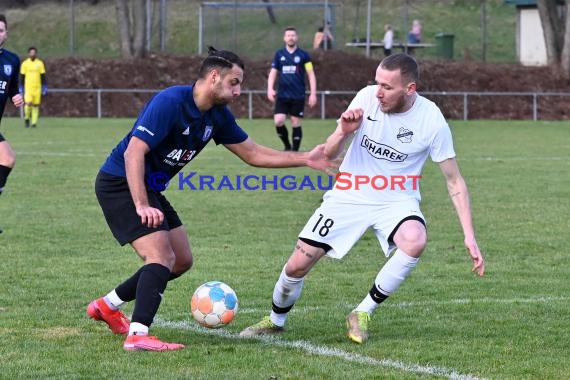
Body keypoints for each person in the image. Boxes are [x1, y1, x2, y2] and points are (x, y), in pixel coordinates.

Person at [87, 47, 338, 352]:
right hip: (121, 183)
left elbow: (253, 154)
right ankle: (138, 335)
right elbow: (133, 152)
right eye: (234, 82)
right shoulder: (171, 102)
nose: (238, 90)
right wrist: (141, 204)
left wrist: (304, 159)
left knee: (180, 261)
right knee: (160, 256)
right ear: (214, 77)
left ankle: (106, 306)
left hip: (149, 187)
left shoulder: (217, 116)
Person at [240, 53, 485, 344]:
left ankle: (363, 312)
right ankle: (275, 320)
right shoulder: (367, 98)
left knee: (415, 239)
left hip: (397, 200)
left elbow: (454, 181)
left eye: (387, 87)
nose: (378, 92)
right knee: (297, 265)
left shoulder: (432, 121)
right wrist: (343, 131)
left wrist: (469, 235)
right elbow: (328, 153)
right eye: (376, 83)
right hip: (349, 193)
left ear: (410, 89)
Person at [269, 27, 317, 152]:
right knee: (278, 121)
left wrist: (313, 94)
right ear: (284, 38)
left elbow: (311, 74)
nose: (291, 37)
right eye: (288, 35)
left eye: (293, 35)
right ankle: (287, 146)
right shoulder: (279, 55)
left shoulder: (303, 55)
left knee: (295, 121)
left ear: (296, 37)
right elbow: (273, 73)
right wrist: (270, 89)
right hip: (282, 95)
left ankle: (295, 151)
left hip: (298, 95)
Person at [0, 14, 24, 234]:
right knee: (6, 158)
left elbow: (12, 88)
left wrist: (16, 96)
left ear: (6, 34)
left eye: (0, 30)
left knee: (7, 159)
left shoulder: (12, 60)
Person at [19, 46, 47, 128]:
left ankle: (34, 123)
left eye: (34, 53)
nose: (32, 54)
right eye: (31, 53)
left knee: (35, 105)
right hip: (28, 88)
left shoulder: (40, 63)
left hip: (37, 88)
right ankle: (27, 118)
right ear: (28, 54)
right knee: (28, 104)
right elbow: (22, 76)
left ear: (36, 54)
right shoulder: (25, 63)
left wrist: (44, 86)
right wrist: (21, 86)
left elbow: (43, 76)